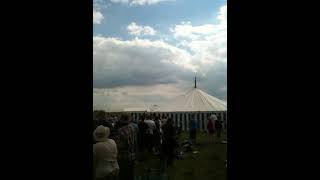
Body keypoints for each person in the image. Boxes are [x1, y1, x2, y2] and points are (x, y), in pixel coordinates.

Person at [113, 114, 137, 180]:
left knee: (123, 175)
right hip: (132, 155)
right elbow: (135, 141)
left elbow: (120, 146)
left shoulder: (120, 131)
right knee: (131, 174)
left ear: (121, 120)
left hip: (124, 157)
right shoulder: (132, 128)